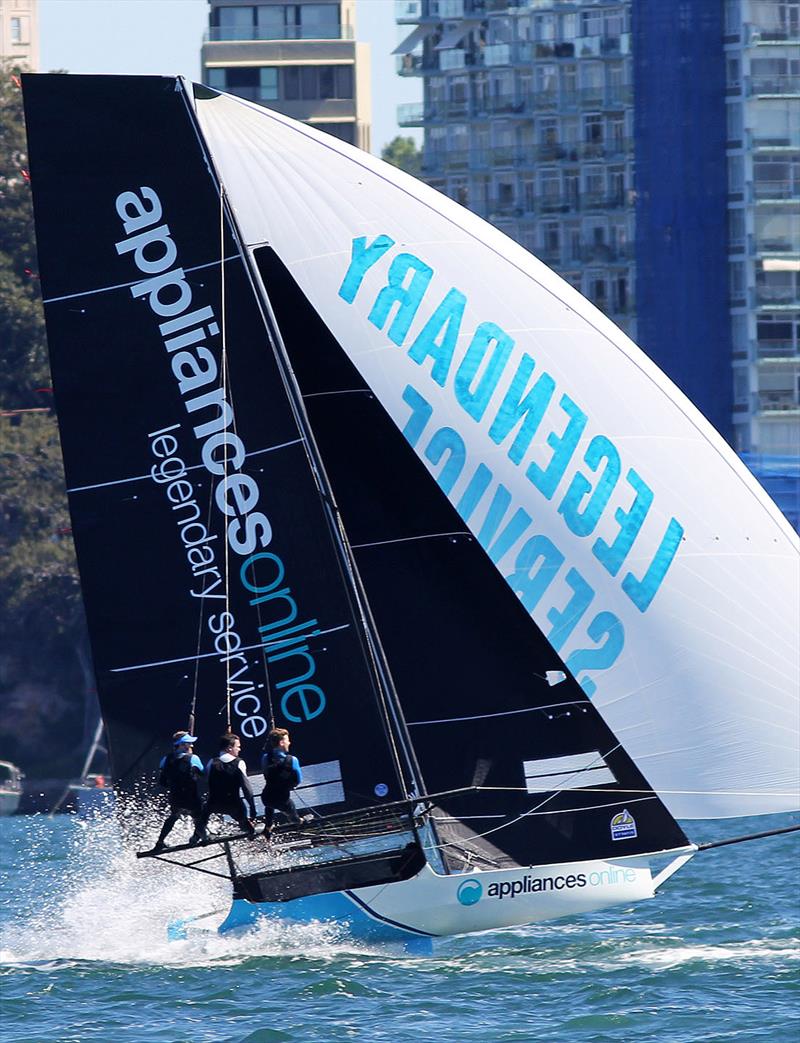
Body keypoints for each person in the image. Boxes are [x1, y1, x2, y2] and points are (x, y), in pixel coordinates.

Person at [196, 732, 257, 838]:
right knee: (242, 815)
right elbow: (246, 788)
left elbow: (206, 779)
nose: (239, 749)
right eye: (238, 747)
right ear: (229, 748)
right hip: (233, 805)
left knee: (205, 811)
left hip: (213, 804)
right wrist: (252, 806)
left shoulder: (212, 762)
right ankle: (248, 829)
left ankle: (197, 834)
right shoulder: (239, 763)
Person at [153, 731, 206, 852]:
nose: (191, 746)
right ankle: (203, 837)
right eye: (188, 744)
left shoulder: (165, 759)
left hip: (175, 798)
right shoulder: (193, 758)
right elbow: (203, 774)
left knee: (173, 816)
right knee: (200, 816)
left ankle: (160, 842)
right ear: (181, 745)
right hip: (191, 798)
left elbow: (162, 782)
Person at [260, 727, 303, 836]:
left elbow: (266, 775)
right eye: (287, 740)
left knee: (269, 804)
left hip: (266, 797)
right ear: (282, 742)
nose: (290, 742)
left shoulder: (265, 757)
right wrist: (289, 784)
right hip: (282, 799)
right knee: (291, 808)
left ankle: (268, 826)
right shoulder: (292, 760)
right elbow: (298, 780)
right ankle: (298, 821)